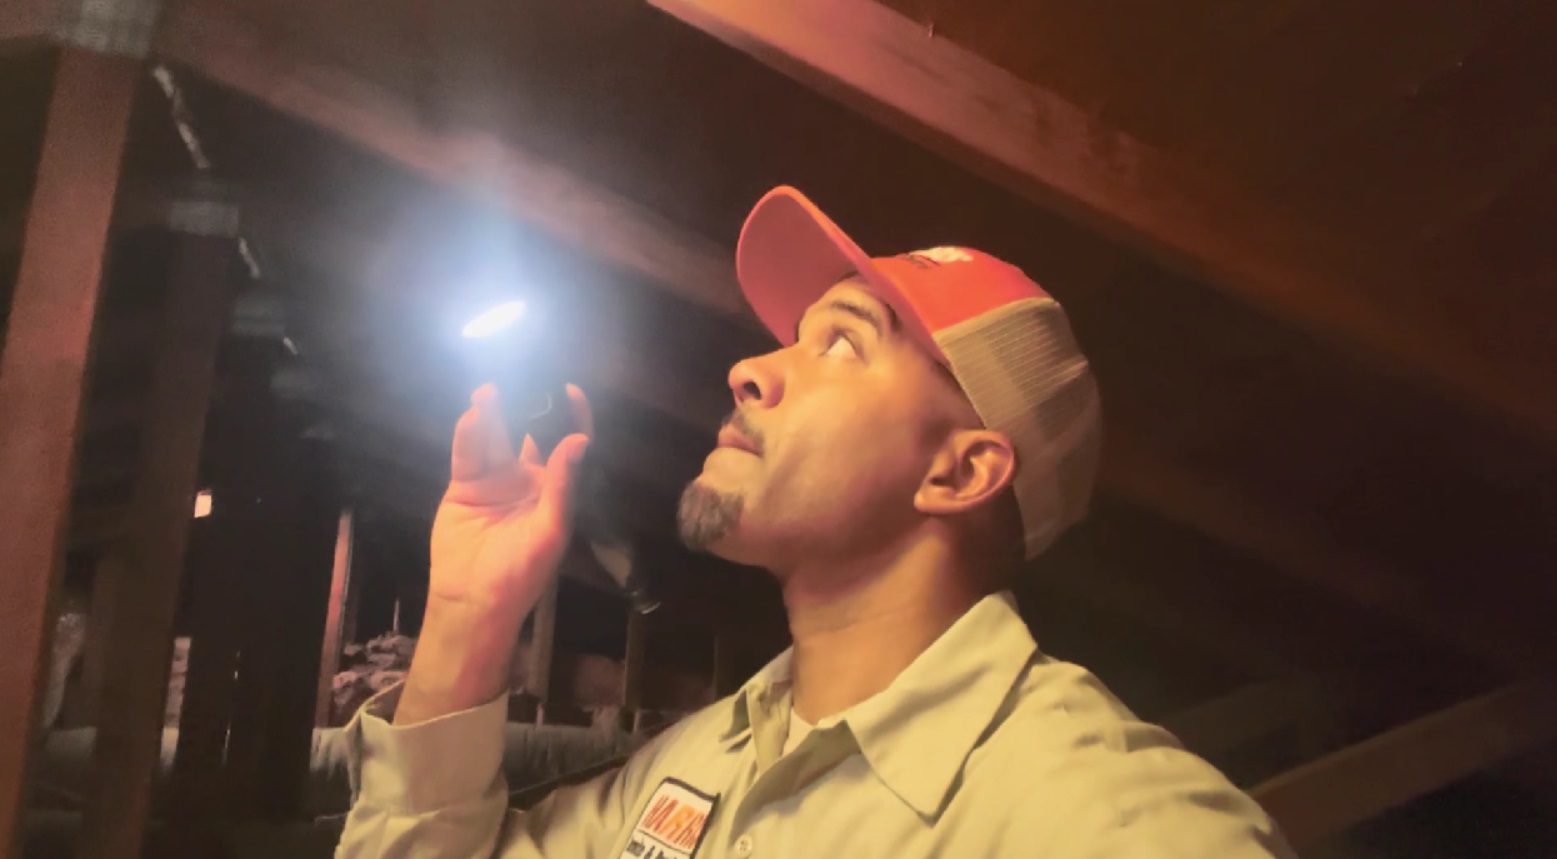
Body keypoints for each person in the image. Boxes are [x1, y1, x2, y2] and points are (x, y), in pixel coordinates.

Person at [336, 187, 1296, 858]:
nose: (750, 370)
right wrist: (467, 616)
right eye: (793, 336)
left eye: (842, 342)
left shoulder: (1114, 825)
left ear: (959, 471)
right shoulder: (687, 770)